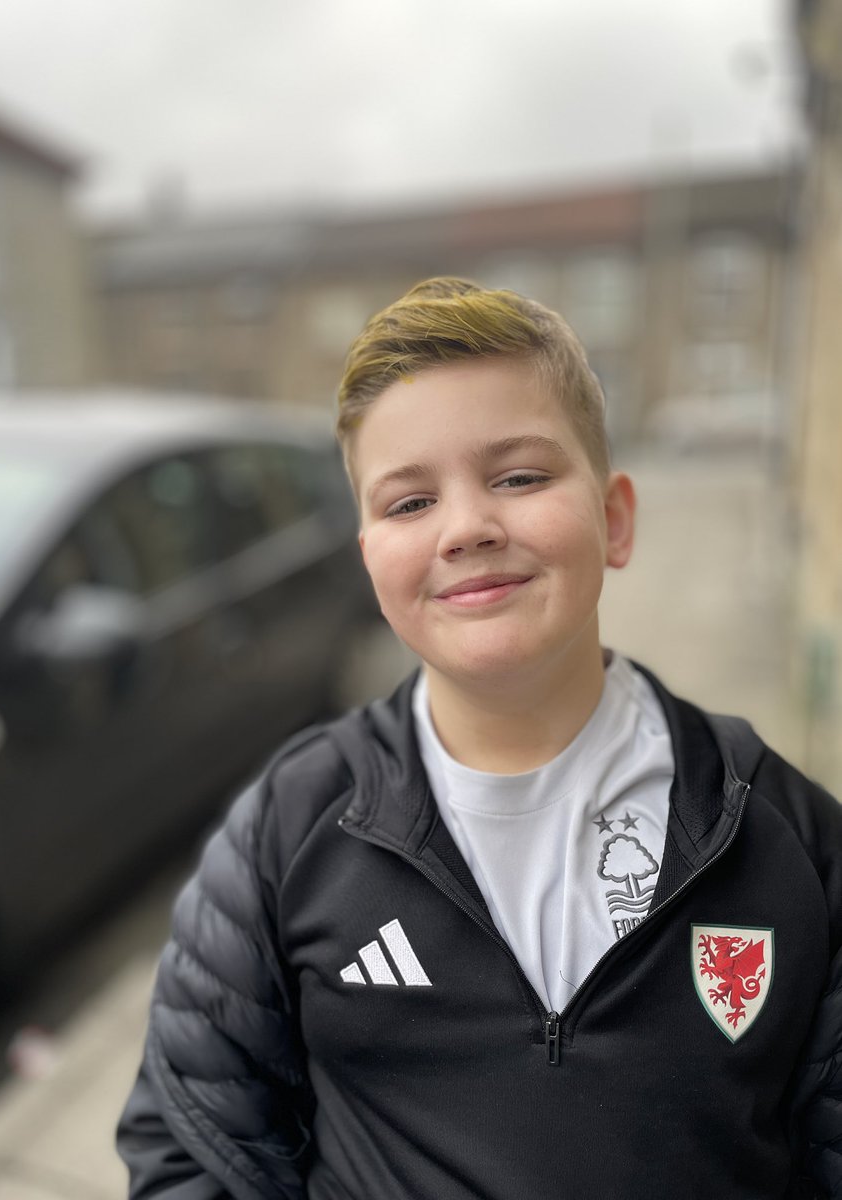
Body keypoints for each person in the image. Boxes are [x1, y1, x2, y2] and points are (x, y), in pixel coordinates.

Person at [117, 277, 842, 1199]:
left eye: (520, 477)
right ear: (371, 558)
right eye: (409, 503)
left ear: (614, 519)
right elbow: (197, 1148)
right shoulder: (288, 829)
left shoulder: (786, 837)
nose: (466, 527)